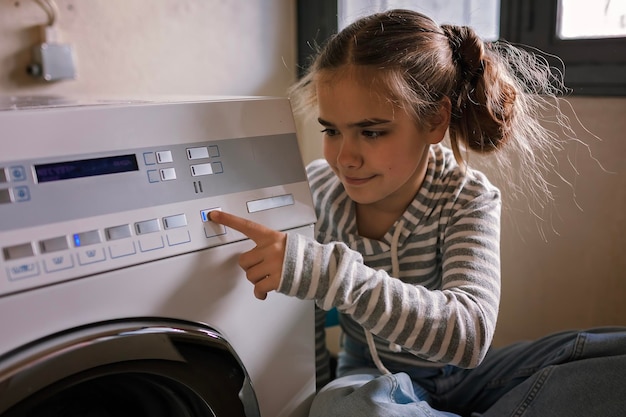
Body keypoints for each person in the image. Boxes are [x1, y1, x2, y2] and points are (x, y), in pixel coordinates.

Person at [209, 9, 626, 417]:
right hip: (370, 381)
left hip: (469, 377)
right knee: (344, 406)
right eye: (331, 130)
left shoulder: (468, 198)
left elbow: (469, 338)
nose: (344, 157)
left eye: (371, 132)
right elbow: (306, 337)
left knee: (612, 356)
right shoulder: (318, 193)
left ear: (435, 121)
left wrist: (332, 275)